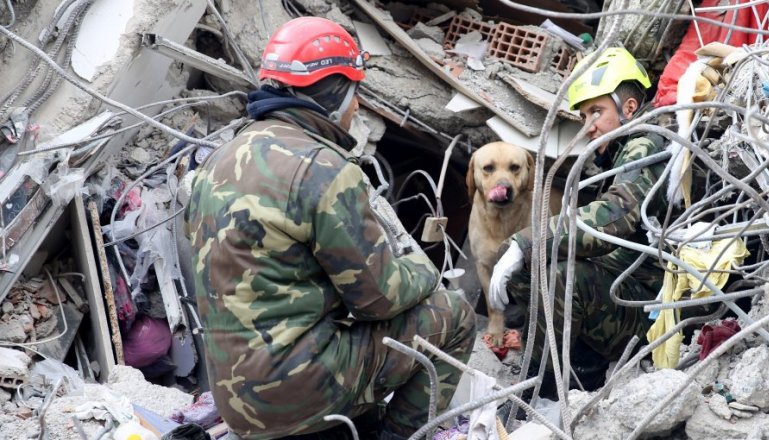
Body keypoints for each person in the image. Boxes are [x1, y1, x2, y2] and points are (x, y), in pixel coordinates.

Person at [185, 17, 475, 440]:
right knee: (456, 314)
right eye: (355, 92)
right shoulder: (323, 169)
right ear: (336, 91)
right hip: (295, 395)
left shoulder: (221, 157)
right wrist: (424, 269)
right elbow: (379, 299)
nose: (356, 108)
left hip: (236, 400)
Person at [488, 47, 668, 391]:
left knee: (559, 275)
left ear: (629, 108)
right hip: (622, 290)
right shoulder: (619, 152)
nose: (588, 126)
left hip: (647, 309)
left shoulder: (646, 145)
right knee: (530, 261)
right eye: (584, 115)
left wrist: (526, 242)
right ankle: (564, 355)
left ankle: (541, 388)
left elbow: (614, 216)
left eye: (596, 112)